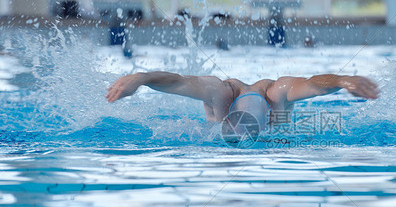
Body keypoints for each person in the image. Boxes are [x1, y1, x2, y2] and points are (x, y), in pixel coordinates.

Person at [106, 72, 379, 136]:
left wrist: (342, 80)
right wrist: (142, 78)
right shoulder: (220, 92)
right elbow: (177, 82)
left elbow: (313, 85)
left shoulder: (277, 93)